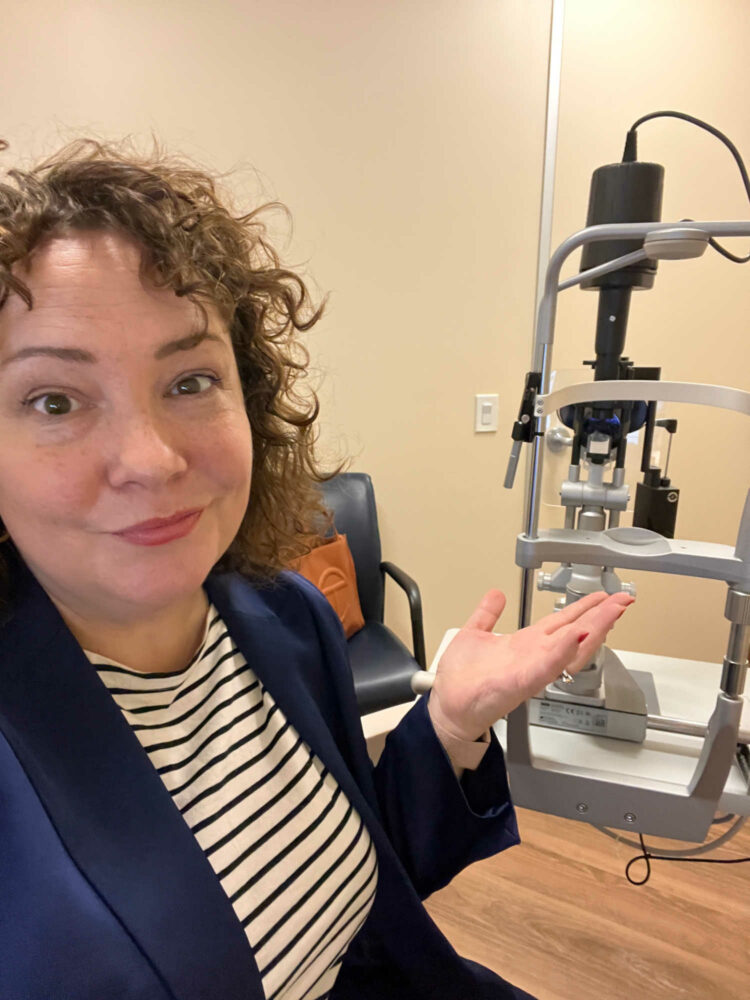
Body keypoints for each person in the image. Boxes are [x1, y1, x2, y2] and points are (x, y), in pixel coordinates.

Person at [0, 137, 633, 1000]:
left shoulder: (283, 618)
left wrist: (449, 721)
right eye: (54, 400)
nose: (148, 460)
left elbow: (354, 890)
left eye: (189, 381)